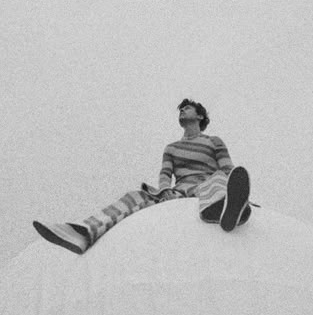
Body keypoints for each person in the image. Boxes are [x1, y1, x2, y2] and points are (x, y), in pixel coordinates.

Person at [33, 99, 252, 254]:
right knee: (133, 197)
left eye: (187, 108)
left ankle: (223, 207)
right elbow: (165, 174)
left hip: (207, 184)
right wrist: (165, 192)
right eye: (181, 110)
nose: (182, 112)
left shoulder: (214, 141)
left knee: (218, 181)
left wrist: (226, 185)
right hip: (181, 189)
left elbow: (227, 169)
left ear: (200, 116)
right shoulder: (171, 148)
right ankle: (83, 231)